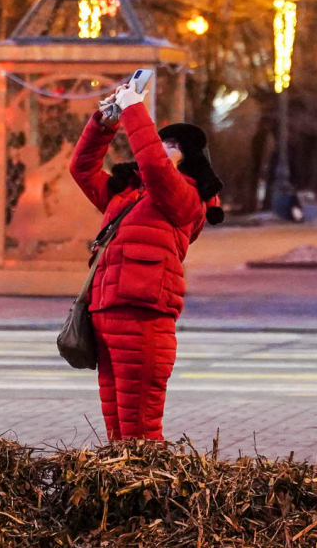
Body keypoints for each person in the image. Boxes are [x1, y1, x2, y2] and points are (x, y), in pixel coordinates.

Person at [69, 80, 224, 441]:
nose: (162, 148)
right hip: (106, 313)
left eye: (172, 146)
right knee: (117, 433)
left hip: (143, 316)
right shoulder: (128, 193)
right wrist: (105, 122)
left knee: (140, 434)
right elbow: (82, 169)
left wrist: (134, 108)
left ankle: (147, 496)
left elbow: (155, 166)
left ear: (190, 159)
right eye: (163, 142)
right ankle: (117, 495)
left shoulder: (186, 198)